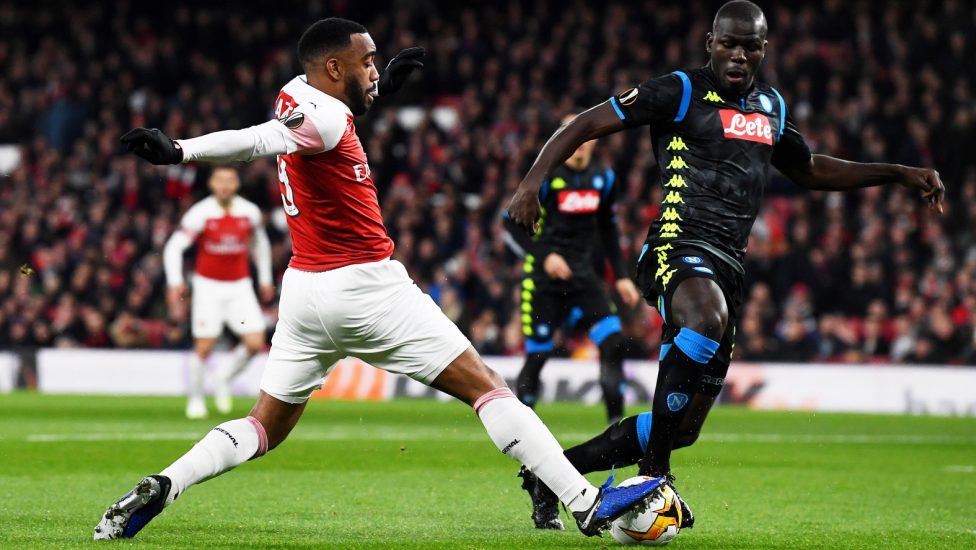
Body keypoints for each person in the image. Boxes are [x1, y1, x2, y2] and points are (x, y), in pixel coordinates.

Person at [94, 17, 665, 541]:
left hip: (305, 292)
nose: (376, 69)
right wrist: (181, 151)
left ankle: (166, 484)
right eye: (367, 62)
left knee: (263, 426)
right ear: (333, 67)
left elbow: (303, 122)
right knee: (487, 387)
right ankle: (585, 501)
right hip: (366, 287)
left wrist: (376, 92)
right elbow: (259, 140)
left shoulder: (297, 91)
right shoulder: (322, 118)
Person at [507, 0, 945, 531]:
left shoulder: (770, 106)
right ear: (710, 43)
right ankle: (655, 475)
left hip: (728, 266)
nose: (738, 54)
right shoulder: (679, 90)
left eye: (750, 46)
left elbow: (810, 170)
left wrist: (896, 172)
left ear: (764, 49)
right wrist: (531, 183)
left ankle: (550, 475)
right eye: (729, 43)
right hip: (675, 246)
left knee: (683, 426)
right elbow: (586, 123)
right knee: (705, 319)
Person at [504, 113, 640, 431]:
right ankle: (522, 431)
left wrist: (622, 275)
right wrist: (546, 256)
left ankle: (615, 429)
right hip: (543, 280)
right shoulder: (544, 178)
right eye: (569, 133)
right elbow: (510, 224)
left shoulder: (604, 178)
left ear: (593, 140)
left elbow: (608, 228)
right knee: (538, 356)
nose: (577, 142)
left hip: (583, 278)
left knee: (613, 342)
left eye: (583, 135)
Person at [162, 165, 274, 419]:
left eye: (229, 180)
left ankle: (223, 377)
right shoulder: (201, 213)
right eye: (219, 180)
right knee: (205, 346)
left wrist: (265, 278)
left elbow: (260, 244)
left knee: (255, 342)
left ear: (236, 184)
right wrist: (175, 281)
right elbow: (174, 247)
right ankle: (195, 399)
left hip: (240, 285)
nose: (224, 185)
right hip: (208, 287)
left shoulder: (249, 212)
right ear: (212, 184)